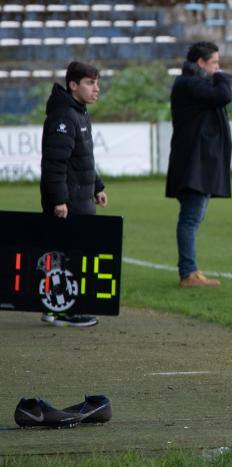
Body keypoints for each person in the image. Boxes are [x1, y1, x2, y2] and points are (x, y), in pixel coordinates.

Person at [39, 61, 107, 328]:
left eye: (97, 83)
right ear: (73, 85)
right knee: (72, 257)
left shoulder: (78, 112)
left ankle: (52, 307)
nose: (96, 89)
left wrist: (98, 186)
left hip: (79, 197)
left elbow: (83, 158)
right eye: (90, 83)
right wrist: (59, 200)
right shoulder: (64, 116)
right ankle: (69, 309)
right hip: (69, 202)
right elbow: (54, 163)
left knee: (62, 254)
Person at [166, 41, 232, 288]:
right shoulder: (189, 83)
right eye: (214, 62)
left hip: (195, 162)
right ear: (200, 63)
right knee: (191, 218)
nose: (218, 67)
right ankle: (188, 273)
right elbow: (223, 96)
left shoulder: (192, 83)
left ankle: (190, 269)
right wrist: (223, 76)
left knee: (192, 216)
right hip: (193, 163)